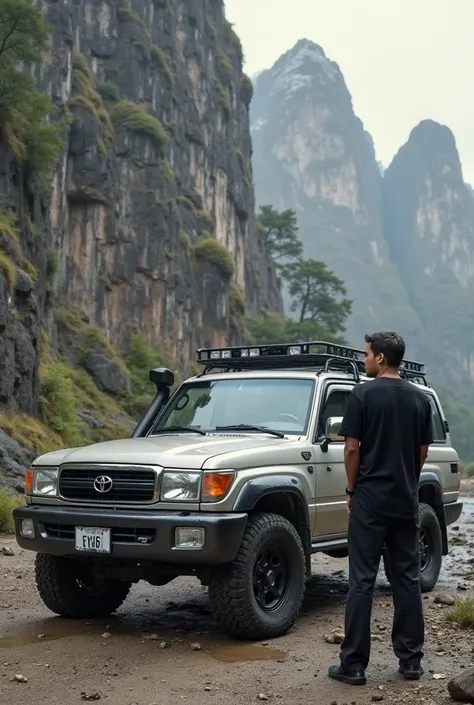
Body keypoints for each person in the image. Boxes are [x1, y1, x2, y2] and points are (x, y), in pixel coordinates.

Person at [328, 331, 433, 687]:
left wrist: (351, 488)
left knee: (361, 580)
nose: (364, 360)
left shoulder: (362, 394)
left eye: (367, 354)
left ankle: (354, 665)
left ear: (381, 359)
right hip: (405, 500)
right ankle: (411, 662)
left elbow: (352, 448)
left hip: (370, 499)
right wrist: (407, 480)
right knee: (407, 579)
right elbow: (422, 452)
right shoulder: (420, 399)